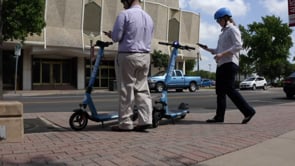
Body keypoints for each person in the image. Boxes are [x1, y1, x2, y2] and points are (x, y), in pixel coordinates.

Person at [199, 7, 256, 124]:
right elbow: (218, 50)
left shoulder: (233, 29)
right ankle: (219, 117)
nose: (218, 23)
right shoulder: (223, 32)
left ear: (225, 18)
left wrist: (221, 54)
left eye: (219, 20)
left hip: (230, 64)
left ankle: (248, 111)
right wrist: (207, 49)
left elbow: (238, 46)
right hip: (222, 64)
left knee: (229, 89)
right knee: (220, 91)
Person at [104, 0, 154, 131]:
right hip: (145, 56)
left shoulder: (124, 14)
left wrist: (111, 34)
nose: (122, 3)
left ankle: (126, 122)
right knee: (142, 89)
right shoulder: (148, 17)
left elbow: (116, 37)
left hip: (128, 55)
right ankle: (146, 120)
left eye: (123, 1)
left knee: (126, 89)